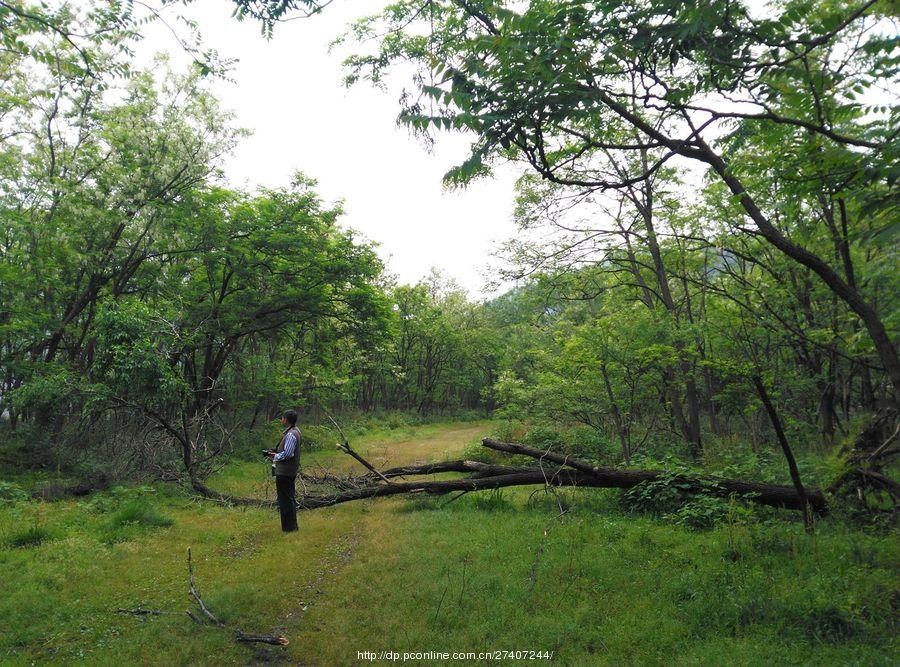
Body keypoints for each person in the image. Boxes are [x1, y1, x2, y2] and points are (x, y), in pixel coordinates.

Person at [266, 409, 300, 532]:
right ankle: (292, 527)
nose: (281, 419)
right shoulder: (295, 431)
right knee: (289, 499)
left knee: (285, 500)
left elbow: (288, 454)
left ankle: (289, 528)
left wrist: (274, 456)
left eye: (282, 417)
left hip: (285, 472)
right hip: (289, 471)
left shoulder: (290, 434)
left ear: (286, 419)